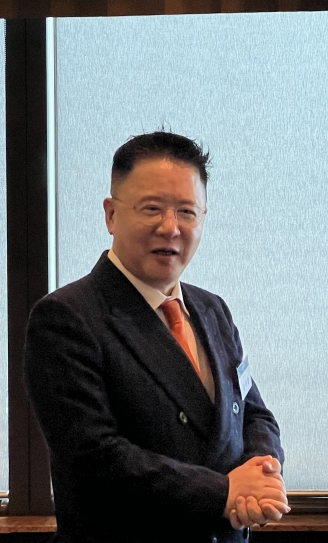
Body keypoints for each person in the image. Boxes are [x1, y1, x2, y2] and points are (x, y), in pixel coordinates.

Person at [24, 132, 289, 543]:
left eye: (187, 212)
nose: (171, 227)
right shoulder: (66, 317)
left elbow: (254, 414)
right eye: (152, 209)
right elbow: (94, 458)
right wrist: (224, 492)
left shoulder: (212, 310)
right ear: (111, 215)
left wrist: (263, 471)